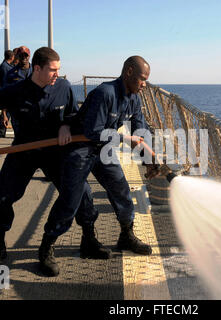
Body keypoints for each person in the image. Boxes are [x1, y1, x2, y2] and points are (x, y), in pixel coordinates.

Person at [0, 47, 95, 277]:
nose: (58, 74)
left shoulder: (64, 88)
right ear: (37, 68)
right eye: (53, 70)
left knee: (81, 194)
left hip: (54, 152)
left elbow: (72, 115)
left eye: (59, 69)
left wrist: (66, 126)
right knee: (3, 199)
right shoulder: (15, 91)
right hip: (23, 151)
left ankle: (57, 245)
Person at [41, 56, 160, 276]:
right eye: (142, 79)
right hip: (81, 147)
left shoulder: (134, 97)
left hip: (103, 149)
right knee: (72, 199)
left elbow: (140, 132)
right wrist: (125, 140)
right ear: (129, 72)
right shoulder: (105, 93)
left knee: (121, 189)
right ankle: (47, 245)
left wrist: (150, 159)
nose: (144, 84)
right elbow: (92, 131)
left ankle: (126, 236)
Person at [0, 49, 15, 138]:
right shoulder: (6, 67)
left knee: (6, 114)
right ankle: (0, 131)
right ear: (12, 57)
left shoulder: (4, 66)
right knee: (7, 113)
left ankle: (1, 131)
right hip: (8, 93)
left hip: (7, 92)